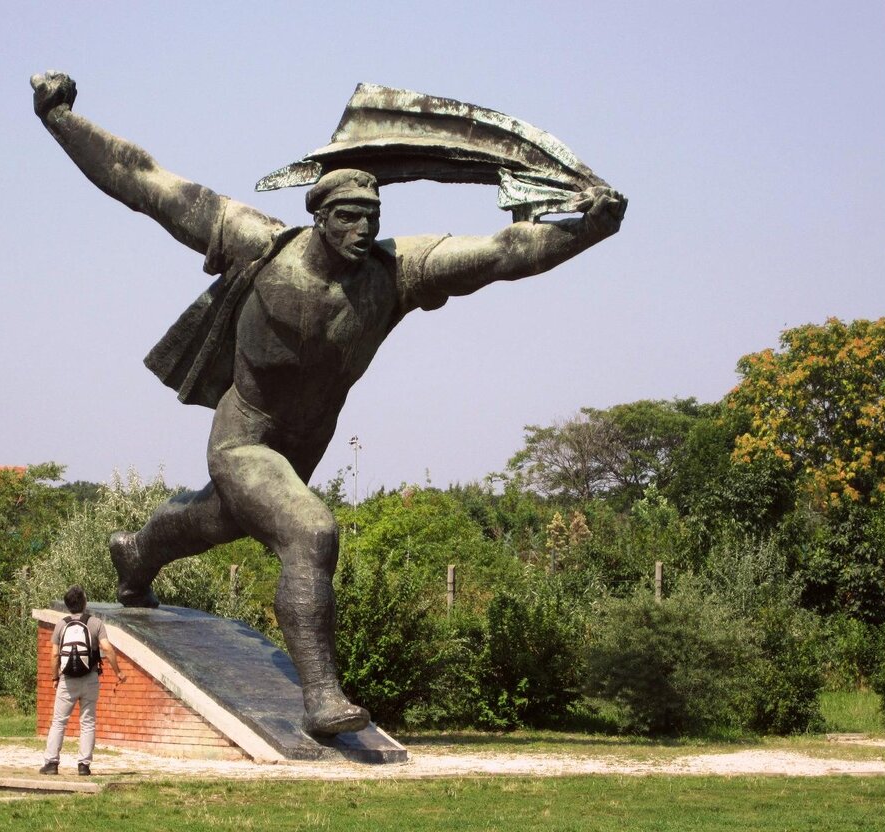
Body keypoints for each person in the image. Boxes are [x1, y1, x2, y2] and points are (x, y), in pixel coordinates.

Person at [31, 72, 626, 736]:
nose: (363, 230)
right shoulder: (258, 243)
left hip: (300, 448)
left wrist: (587, 230)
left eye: (373, 218)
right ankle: (320, 698)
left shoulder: (393, 275)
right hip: (246, 438)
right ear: (319, 215)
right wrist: (61, 120)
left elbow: (503, 251)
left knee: (214, 522)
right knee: (310, 531)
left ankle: (138, 553)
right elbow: (143, 181)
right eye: (349, 217)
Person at [40, 584, 126, 775]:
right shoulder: (96, 623)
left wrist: (55, 677)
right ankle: (84, 765)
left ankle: (51, 763)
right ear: (85, 603)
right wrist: (118, 672)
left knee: (59, 722)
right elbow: (108, 649)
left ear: (67, 605)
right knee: (87, 722)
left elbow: (54, 655)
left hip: (67, 680)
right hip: (90, 679)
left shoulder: (61, 625)